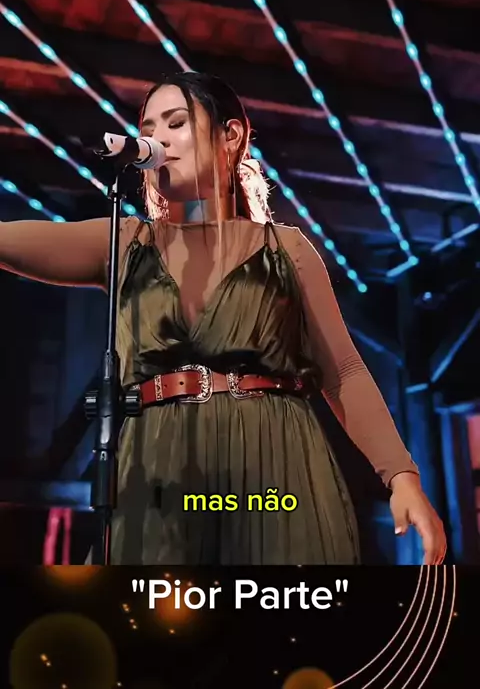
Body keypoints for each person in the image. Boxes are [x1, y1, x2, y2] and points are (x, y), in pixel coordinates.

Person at [0, 71, 446, 566]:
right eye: (148, 127)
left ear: (230, 136)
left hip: (275, 470)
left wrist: (401, 476)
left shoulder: (285, 249)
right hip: (159, 470)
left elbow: (343, 371)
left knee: (277, 609)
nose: (157, 138)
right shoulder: (125, 243)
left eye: (176, 123)